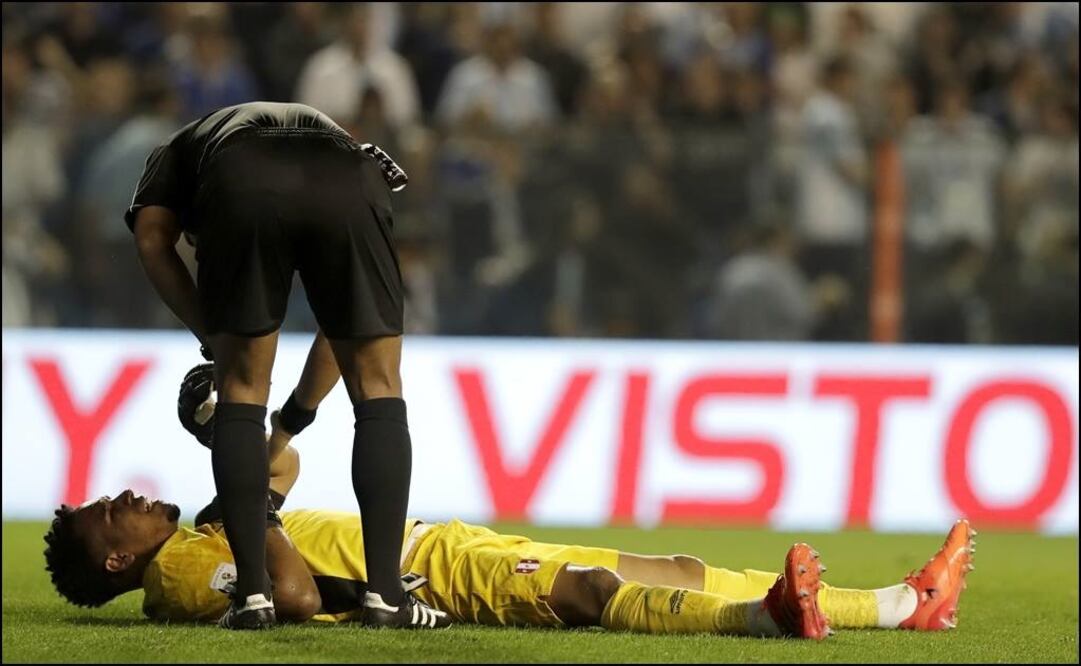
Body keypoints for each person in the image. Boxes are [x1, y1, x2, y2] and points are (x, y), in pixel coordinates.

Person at [42, 375, 975, 638]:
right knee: (587, 590)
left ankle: (899, 604)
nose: (121, 496)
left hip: (437, 543)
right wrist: (255, 502)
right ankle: (765, 618)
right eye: (107, 513)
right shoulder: (178, 575)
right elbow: (290, 594)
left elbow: (279, 463)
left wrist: (248, 429)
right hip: (421, 574)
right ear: (119, 560)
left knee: (671, 568)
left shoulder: (205, 533)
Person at [124, 100, 433, 630]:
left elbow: (152, 238)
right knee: (379, 383)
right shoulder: (313, 134)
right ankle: (386, 597)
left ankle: (252, 598)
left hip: (241, 174)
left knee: (242, 388)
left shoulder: (173, 152)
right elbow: (342, 333)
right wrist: (290, 422)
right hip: (349, 170)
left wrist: (212, 337)